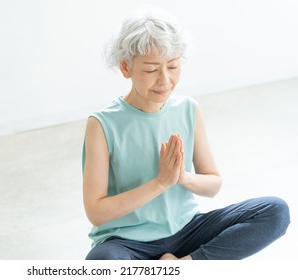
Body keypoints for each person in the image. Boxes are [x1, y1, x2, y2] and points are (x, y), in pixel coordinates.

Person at [82, 8, 290, 260]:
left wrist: (182, 177)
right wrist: (160, 183)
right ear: (126, 67)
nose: (165, 79)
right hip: (128, 241)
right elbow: (96, 212)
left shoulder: (188, 109)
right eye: (150, 70)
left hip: (188, 230)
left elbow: (212, 184)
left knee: (275, 211)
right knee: (102, 262)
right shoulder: (102, 124)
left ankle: (184, 266)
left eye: (172, 66)